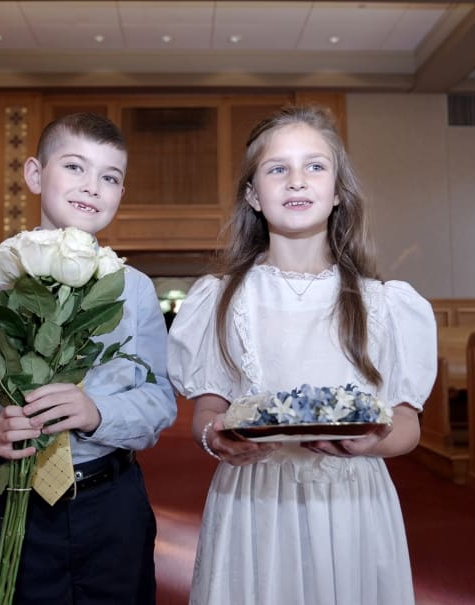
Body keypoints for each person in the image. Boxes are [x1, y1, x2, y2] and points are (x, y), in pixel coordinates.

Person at [167, 105, 437, 605]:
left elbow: (407, 425)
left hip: (351, 499)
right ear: (253, 194)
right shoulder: (221, 298)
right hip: (254, 498)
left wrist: (371, 443)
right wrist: (215, 438)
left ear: (337, 192)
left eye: (315, 166)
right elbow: (207, 409)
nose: (297, 181)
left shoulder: (384, 302)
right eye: (277, 169)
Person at [0, 112, 177, 604]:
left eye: (110, 177)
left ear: (120, 194)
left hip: (111, 500)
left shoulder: (134, 289)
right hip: (16, 502)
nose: (92, 186)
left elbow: (159, 398)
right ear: (36, 175)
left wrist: (99, 412)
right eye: (75, 167)